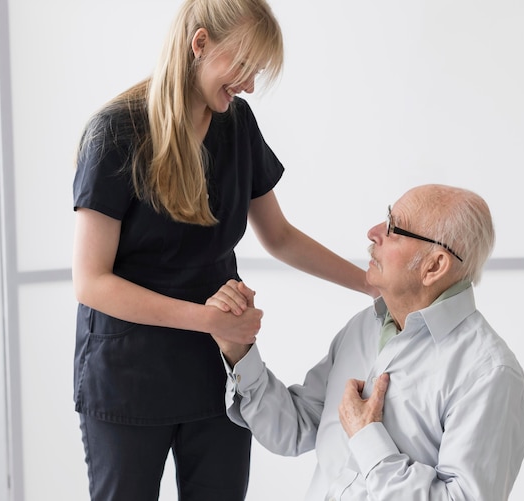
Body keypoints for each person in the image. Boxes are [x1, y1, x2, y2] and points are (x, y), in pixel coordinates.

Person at [71, 1, 378, 500]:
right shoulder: (116, 133)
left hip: (219, 372)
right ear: (200, 44)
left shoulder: (236, 124)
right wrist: (207, 320)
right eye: (243, 67)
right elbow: (90, 282)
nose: (250, 85)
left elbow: (278, 236)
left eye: (256, 72)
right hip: (129, 373)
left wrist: (371, 284)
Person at [208, 184, 524, 501]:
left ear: (434, 266)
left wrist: (368, 438)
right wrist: (240, 351)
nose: (373, 232)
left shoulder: (489, 373)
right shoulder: (367, 325)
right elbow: (296, 428)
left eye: (394, 228)